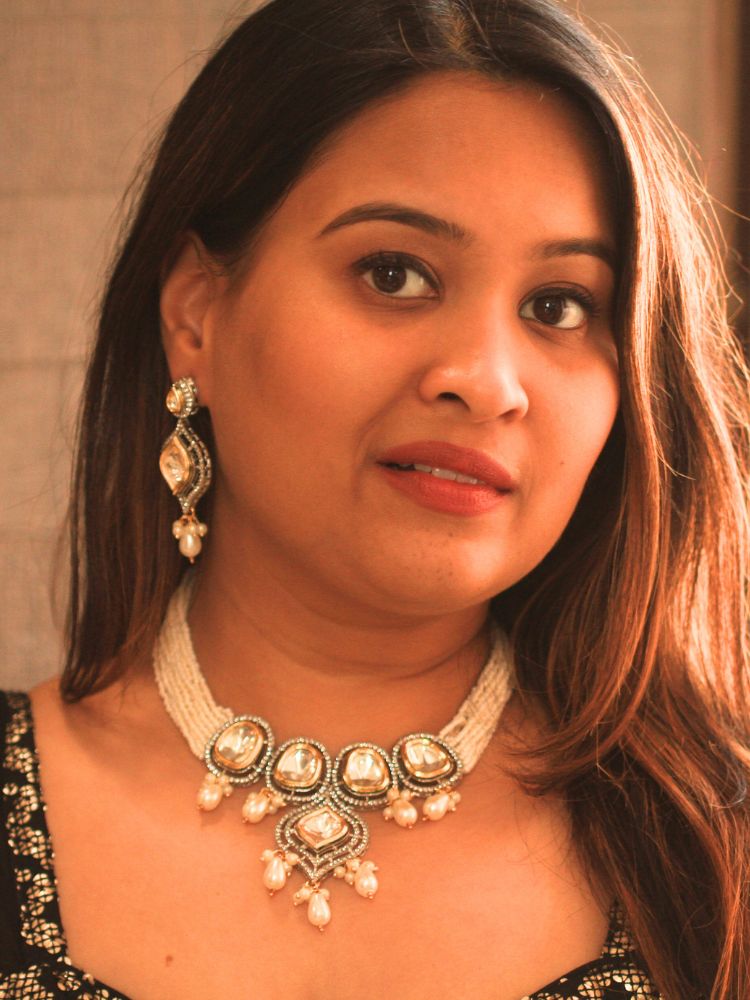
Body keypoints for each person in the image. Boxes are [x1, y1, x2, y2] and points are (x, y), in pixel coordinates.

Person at [1, 0, 748, 996]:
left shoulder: (718, 850)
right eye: (394, 274)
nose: (486, 381)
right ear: (195, 316)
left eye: (559, 305)